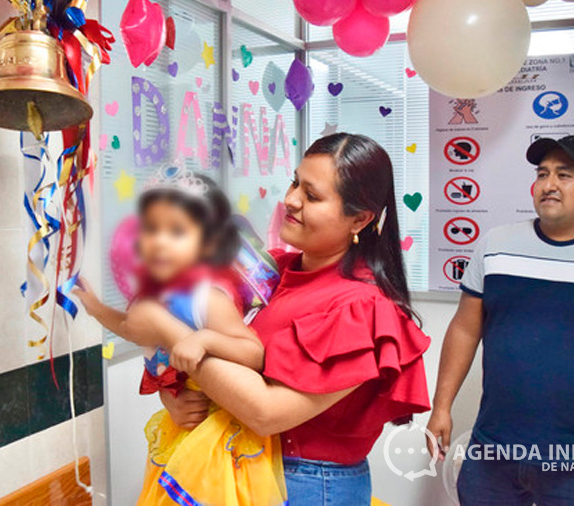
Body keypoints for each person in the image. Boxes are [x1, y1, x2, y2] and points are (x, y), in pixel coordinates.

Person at [126, 133, 432, 505]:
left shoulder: (362, 307)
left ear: (360, 219)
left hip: (305, 484)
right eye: (294, 182)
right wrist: (172, 395)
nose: (290, 200)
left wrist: (170, 331)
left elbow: (265, 412)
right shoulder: (267, 272)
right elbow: (188, 323)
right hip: (236, 468)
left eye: (312, 195)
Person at [426, 136, 574, 506]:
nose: (549, 184)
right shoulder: (496, 246)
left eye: (565, 175)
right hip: (493, 452)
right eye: (542, 174)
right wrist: (441, 406)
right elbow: (465, 328)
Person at [73, 166, 287, 505]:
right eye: (151, 229)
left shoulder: (208, 297)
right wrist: (96, 308)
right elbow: (132, 327)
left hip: (221, 433)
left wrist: (205, 340)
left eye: (176, 231)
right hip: (183, 425)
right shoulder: (157, 295)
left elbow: (253, 352)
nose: (159, 240)